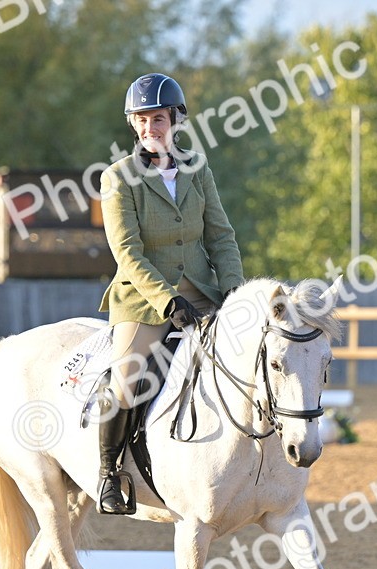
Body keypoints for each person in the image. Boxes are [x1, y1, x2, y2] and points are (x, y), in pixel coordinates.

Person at [96, 72, 244, 514]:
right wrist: (166, 301)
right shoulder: (118, 177)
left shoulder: (198, 169)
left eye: (157, 119)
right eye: (141, 120)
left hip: (200, 290)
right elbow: (127, 251)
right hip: (143, 300)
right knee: (125, 381)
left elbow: (221, 236)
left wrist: (234, 292)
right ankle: (109, 474)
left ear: (176, 120)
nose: (149, 129)